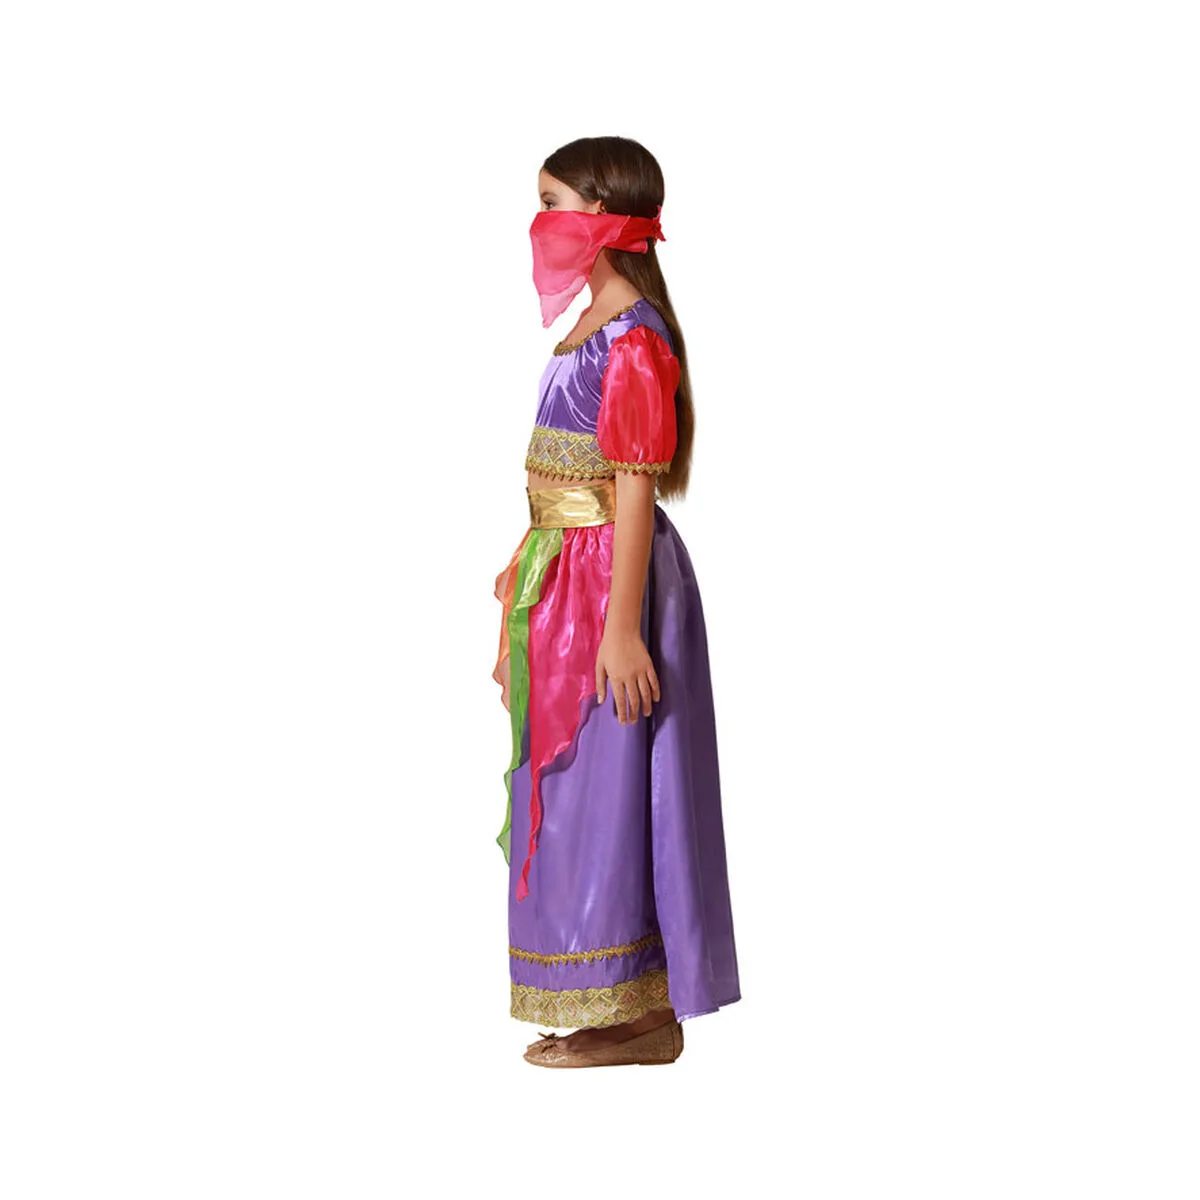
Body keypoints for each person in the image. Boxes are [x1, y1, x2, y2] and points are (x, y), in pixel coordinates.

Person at [492, 136, 741, 1069]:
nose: (540, 221)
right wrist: (526, 574)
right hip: (566, 576)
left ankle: (637, 1011)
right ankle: (616, 1005)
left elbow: (632, 488)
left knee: (610, 793)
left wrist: (622, 628)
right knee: (571, 791)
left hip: (610, 586)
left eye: (551, 201)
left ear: (600, 213)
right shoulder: (589, 324)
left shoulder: (632, 336)